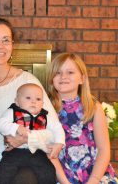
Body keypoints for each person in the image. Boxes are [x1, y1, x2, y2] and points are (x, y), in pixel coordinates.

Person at [0, 18, 65, 184]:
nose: (0, 46)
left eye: (6, 40)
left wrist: (25, 139)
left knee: (25, 180)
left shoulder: (27, 81)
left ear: (12, 45)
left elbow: (52, 131)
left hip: (26, 159)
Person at [47, 53, 118, 184]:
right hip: (61, 175)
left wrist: (93, 181)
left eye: (70, 72)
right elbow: (49, 152)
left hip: (95, 173)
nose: (63, 77)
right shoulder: (46, 109)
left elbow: (104, 150)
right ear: (51, 79)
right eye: (58, 73)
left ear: (82, 79)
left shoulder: (93, 107)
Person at [0, 83, 63, 184]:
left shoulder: (45, 117)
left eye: (38, 99)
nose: (33, 102)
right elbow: (0, 125)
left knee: (48, 171)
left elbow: (58, 128)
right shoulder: (12, 112)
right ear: (17, 101)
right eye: (28, 98)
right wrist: (16, 127)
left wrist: (59, 142)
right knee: (3, 170)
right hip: (15, 152)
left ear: (42, 103)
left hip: (37, 153)